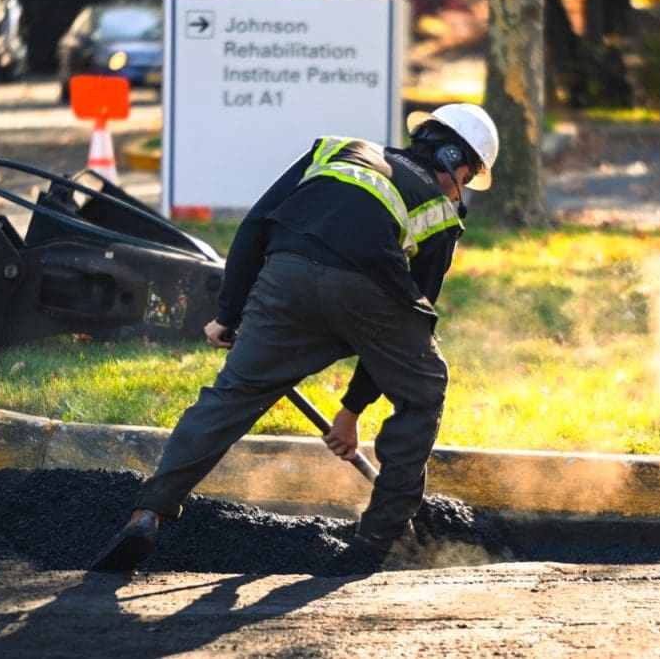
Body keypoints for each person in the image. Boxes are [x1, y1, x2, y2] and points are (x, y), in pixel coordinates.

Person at [91, 103, 500, 572]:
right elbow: (412, 321)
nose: (461, 191)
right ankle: (380, 539)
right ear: (454, 160)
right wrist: (355, 406)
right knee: (425, 388)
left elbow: (255, 226)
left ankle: (148, 514)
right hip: (370, 297)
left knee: (232, 396)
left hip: (286, 282)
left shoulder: (335, 150)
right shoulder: (440, 213)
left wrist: (229, 313)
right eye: (466, 180)